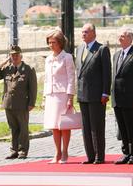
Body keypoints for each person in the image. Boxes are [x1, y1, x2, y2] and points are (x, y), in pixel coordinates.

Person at [0, 45, 37, 159]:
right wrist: (3, 63)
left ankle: (22, 151)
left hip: (22, 104)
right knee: (13, 128)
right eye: (12, 55)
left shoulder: (28, 69)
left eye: (17, 55)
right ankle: (14, 150)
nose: (15, 57)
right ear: (10, 57)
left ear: (21, 56)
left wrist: (32, 103)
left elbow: (33, 88)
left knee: (23, 128)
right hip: (9, 103)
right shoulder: (7, 69)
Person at [75, 23, 111, 164]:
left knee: (97, 127)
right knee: (86, 127)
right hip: (83, 94)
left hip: (97, 95)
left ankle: (99, 156)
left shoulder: (101, 49)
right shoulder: (79, 49)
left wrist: (105, 93)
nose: (83, 34)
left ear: (94, 33)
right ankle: (90, 155)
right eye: (82, 32)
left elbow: (106, 73)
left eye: (86, 32)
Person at [112, 27, 133, 165]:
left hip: (131, 98)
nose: (119, 38)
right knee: (122, 128)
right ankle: (125, 152)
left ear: (130, 38)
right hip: (117, 98)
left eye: (122, 36)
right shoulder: (116, 55)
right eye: (119, 36)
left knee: (132, 127)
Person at [43, 29, 75, 164]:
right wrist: (44, 97)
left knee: (63, 125)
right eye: (49, 43)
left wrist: (70, 97)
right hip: (51, 95)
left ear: (60, 43)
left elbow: (71, 78)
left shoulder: (67, 57)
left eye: (53, 42)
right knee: (53, 125)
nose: (51, 45)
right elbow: (46, 79)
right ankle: (57, 152)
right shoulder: (48, 59)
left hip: (63, 95)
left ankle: (65, 151)